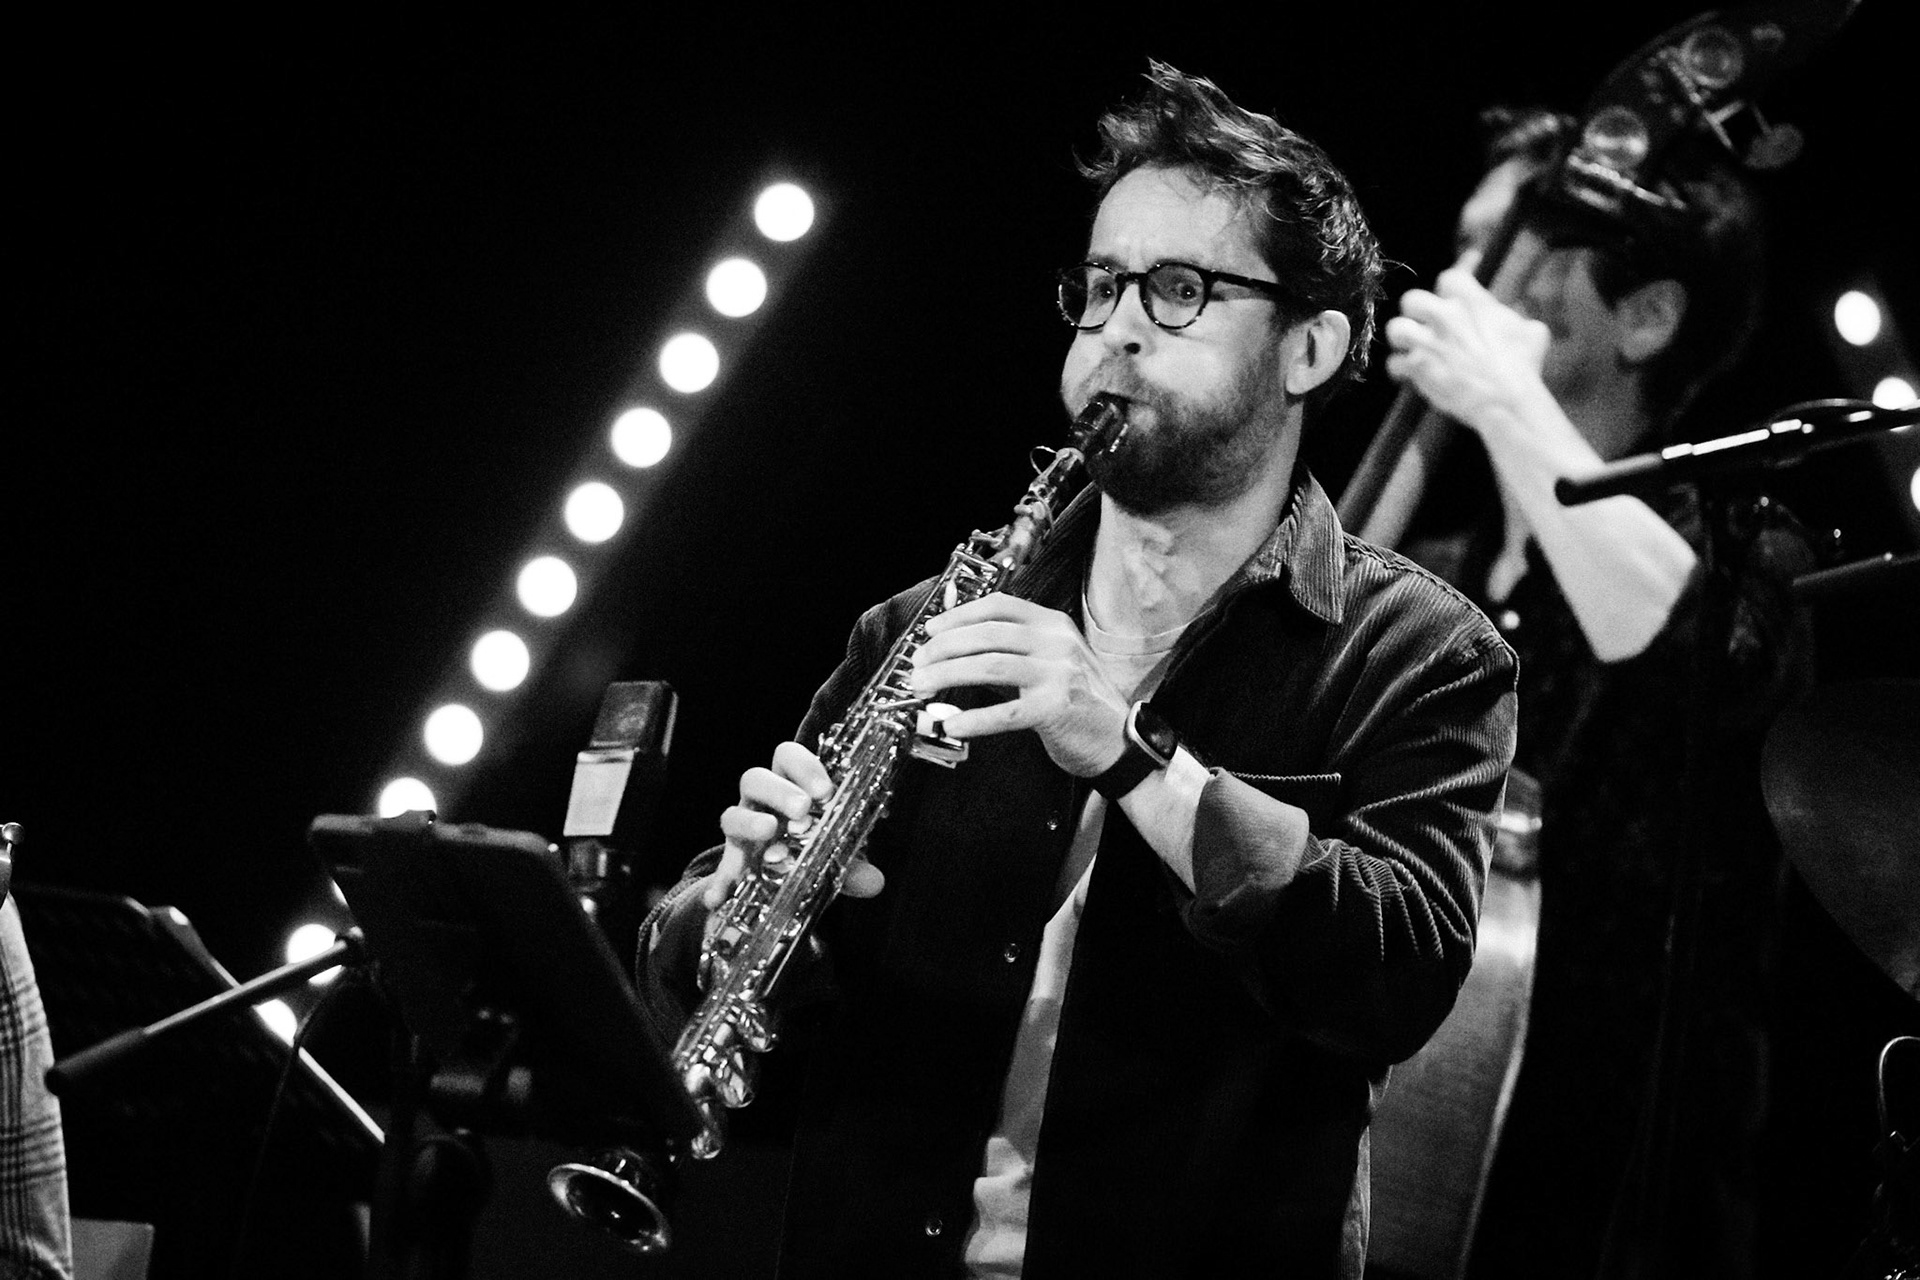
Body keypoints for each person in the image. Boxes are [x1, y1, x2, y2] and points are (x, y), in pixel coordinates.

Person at [639, 63, 1517, 1279]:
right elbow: (684, 968)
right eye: (1101, 287)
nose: (1117, 328)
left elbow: (1401, 975)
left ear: (1312, 346)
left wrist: (1134, 751)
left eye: (1179, 290)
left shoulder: (1421, 652)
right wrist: (729, 910)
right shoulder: (923, 626)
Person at [1379, 108, 1814, 1277]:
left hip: (1622, 1213)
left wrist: (1505, 400)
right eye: (1469, 245)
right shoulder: (1430, 577)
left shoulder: (1747, 554)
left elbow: (1696, 655)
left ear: (1648, 315)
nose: (1462, 287)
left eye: (1515, 250)